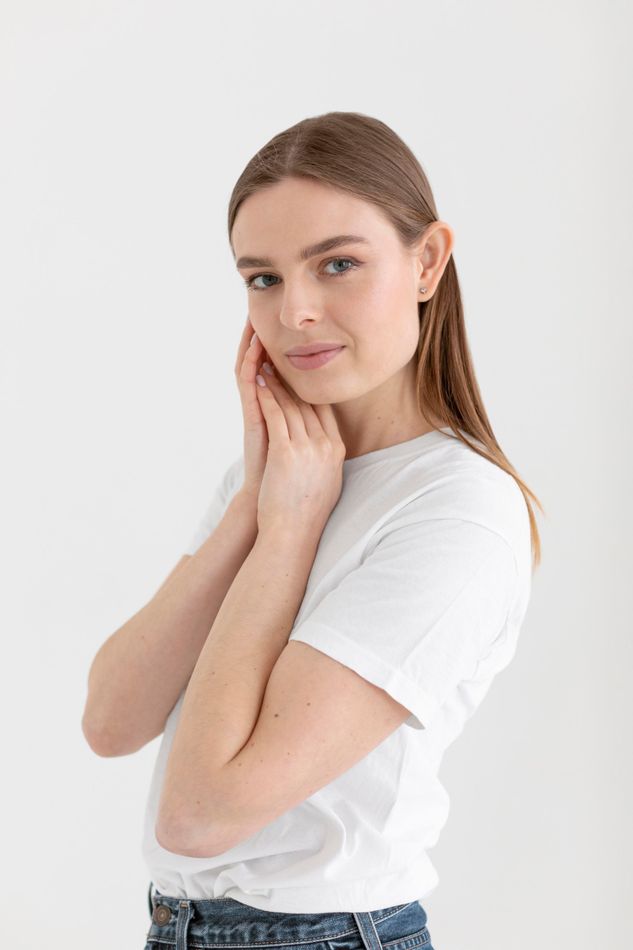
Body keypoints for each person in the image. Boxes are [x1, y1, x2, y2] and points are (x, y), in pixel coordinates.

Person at [82, 111, 544, 950]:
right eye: (261, 278)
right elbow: (110, 721)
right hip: (175, 926)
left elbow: (198, 812)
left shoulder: (455, 511)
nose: (295, 311)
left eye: (337, 264)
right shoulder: (278, 471)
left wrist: (288, 530)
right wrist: (252, 507)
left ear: (427, 261)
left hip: (326, 934)